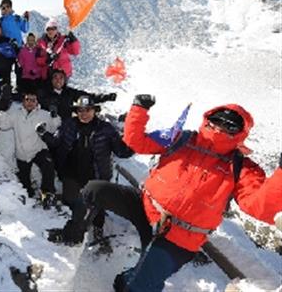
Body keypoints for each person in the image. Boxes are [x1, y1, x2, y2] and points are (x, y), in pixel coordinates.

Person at [69, 95, 282, 292]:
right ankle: (71, 236)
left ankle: (130, 279)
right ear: (208, 118)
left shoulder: (241, 167)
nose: (220, 127)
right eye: (217, 120)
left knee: (139, 286)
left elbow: (260, 208)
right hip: (146, 206)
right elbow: (137, 143)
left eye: (230, 126)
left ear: (240, 133)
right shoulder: (182, 139)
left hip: (180, 236)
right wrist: (139, 110)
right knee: (94, 190)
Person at [42, 95, 133, 243]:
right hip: (71, 172)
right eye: (80, 110)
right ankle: (76, 225)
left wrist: (133, 142)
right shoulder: (69, 124)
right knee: (72, 202)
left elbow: (122, 152)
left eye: (88, 110)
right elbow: (56, 141)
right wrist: (43, 134)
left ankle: (97, 229)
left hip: (96, 175)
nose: (84, 113)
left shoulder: (106, 129)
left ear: (94, 111)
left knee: (97, 205)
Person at [0, 91, 61, 207]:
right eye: (27, 99)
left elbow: (54, 127)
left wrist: (54, 116)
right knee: (24, 180)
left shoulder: (43, 114)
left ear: (37, 102)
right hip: (22, 153)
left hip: (39, 149)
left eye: (33, 100)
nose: (30, 102)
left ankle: (47, 194)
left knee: (48, 165)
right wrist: (2, 109)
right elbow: (3, 124)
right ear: (23, 101)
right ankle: (29, 195)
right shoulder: (16, 114)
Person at [37, 69, 117, 120]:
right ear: (51, 80)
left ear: (65, 80)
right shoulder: (44, 93)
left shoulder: (69, 92)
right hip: (49, 127)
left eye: (61, 78)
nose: (58, 80)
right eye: (55, 77)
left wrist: (106, 97)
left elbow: (88, 98)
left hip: (66, 127)